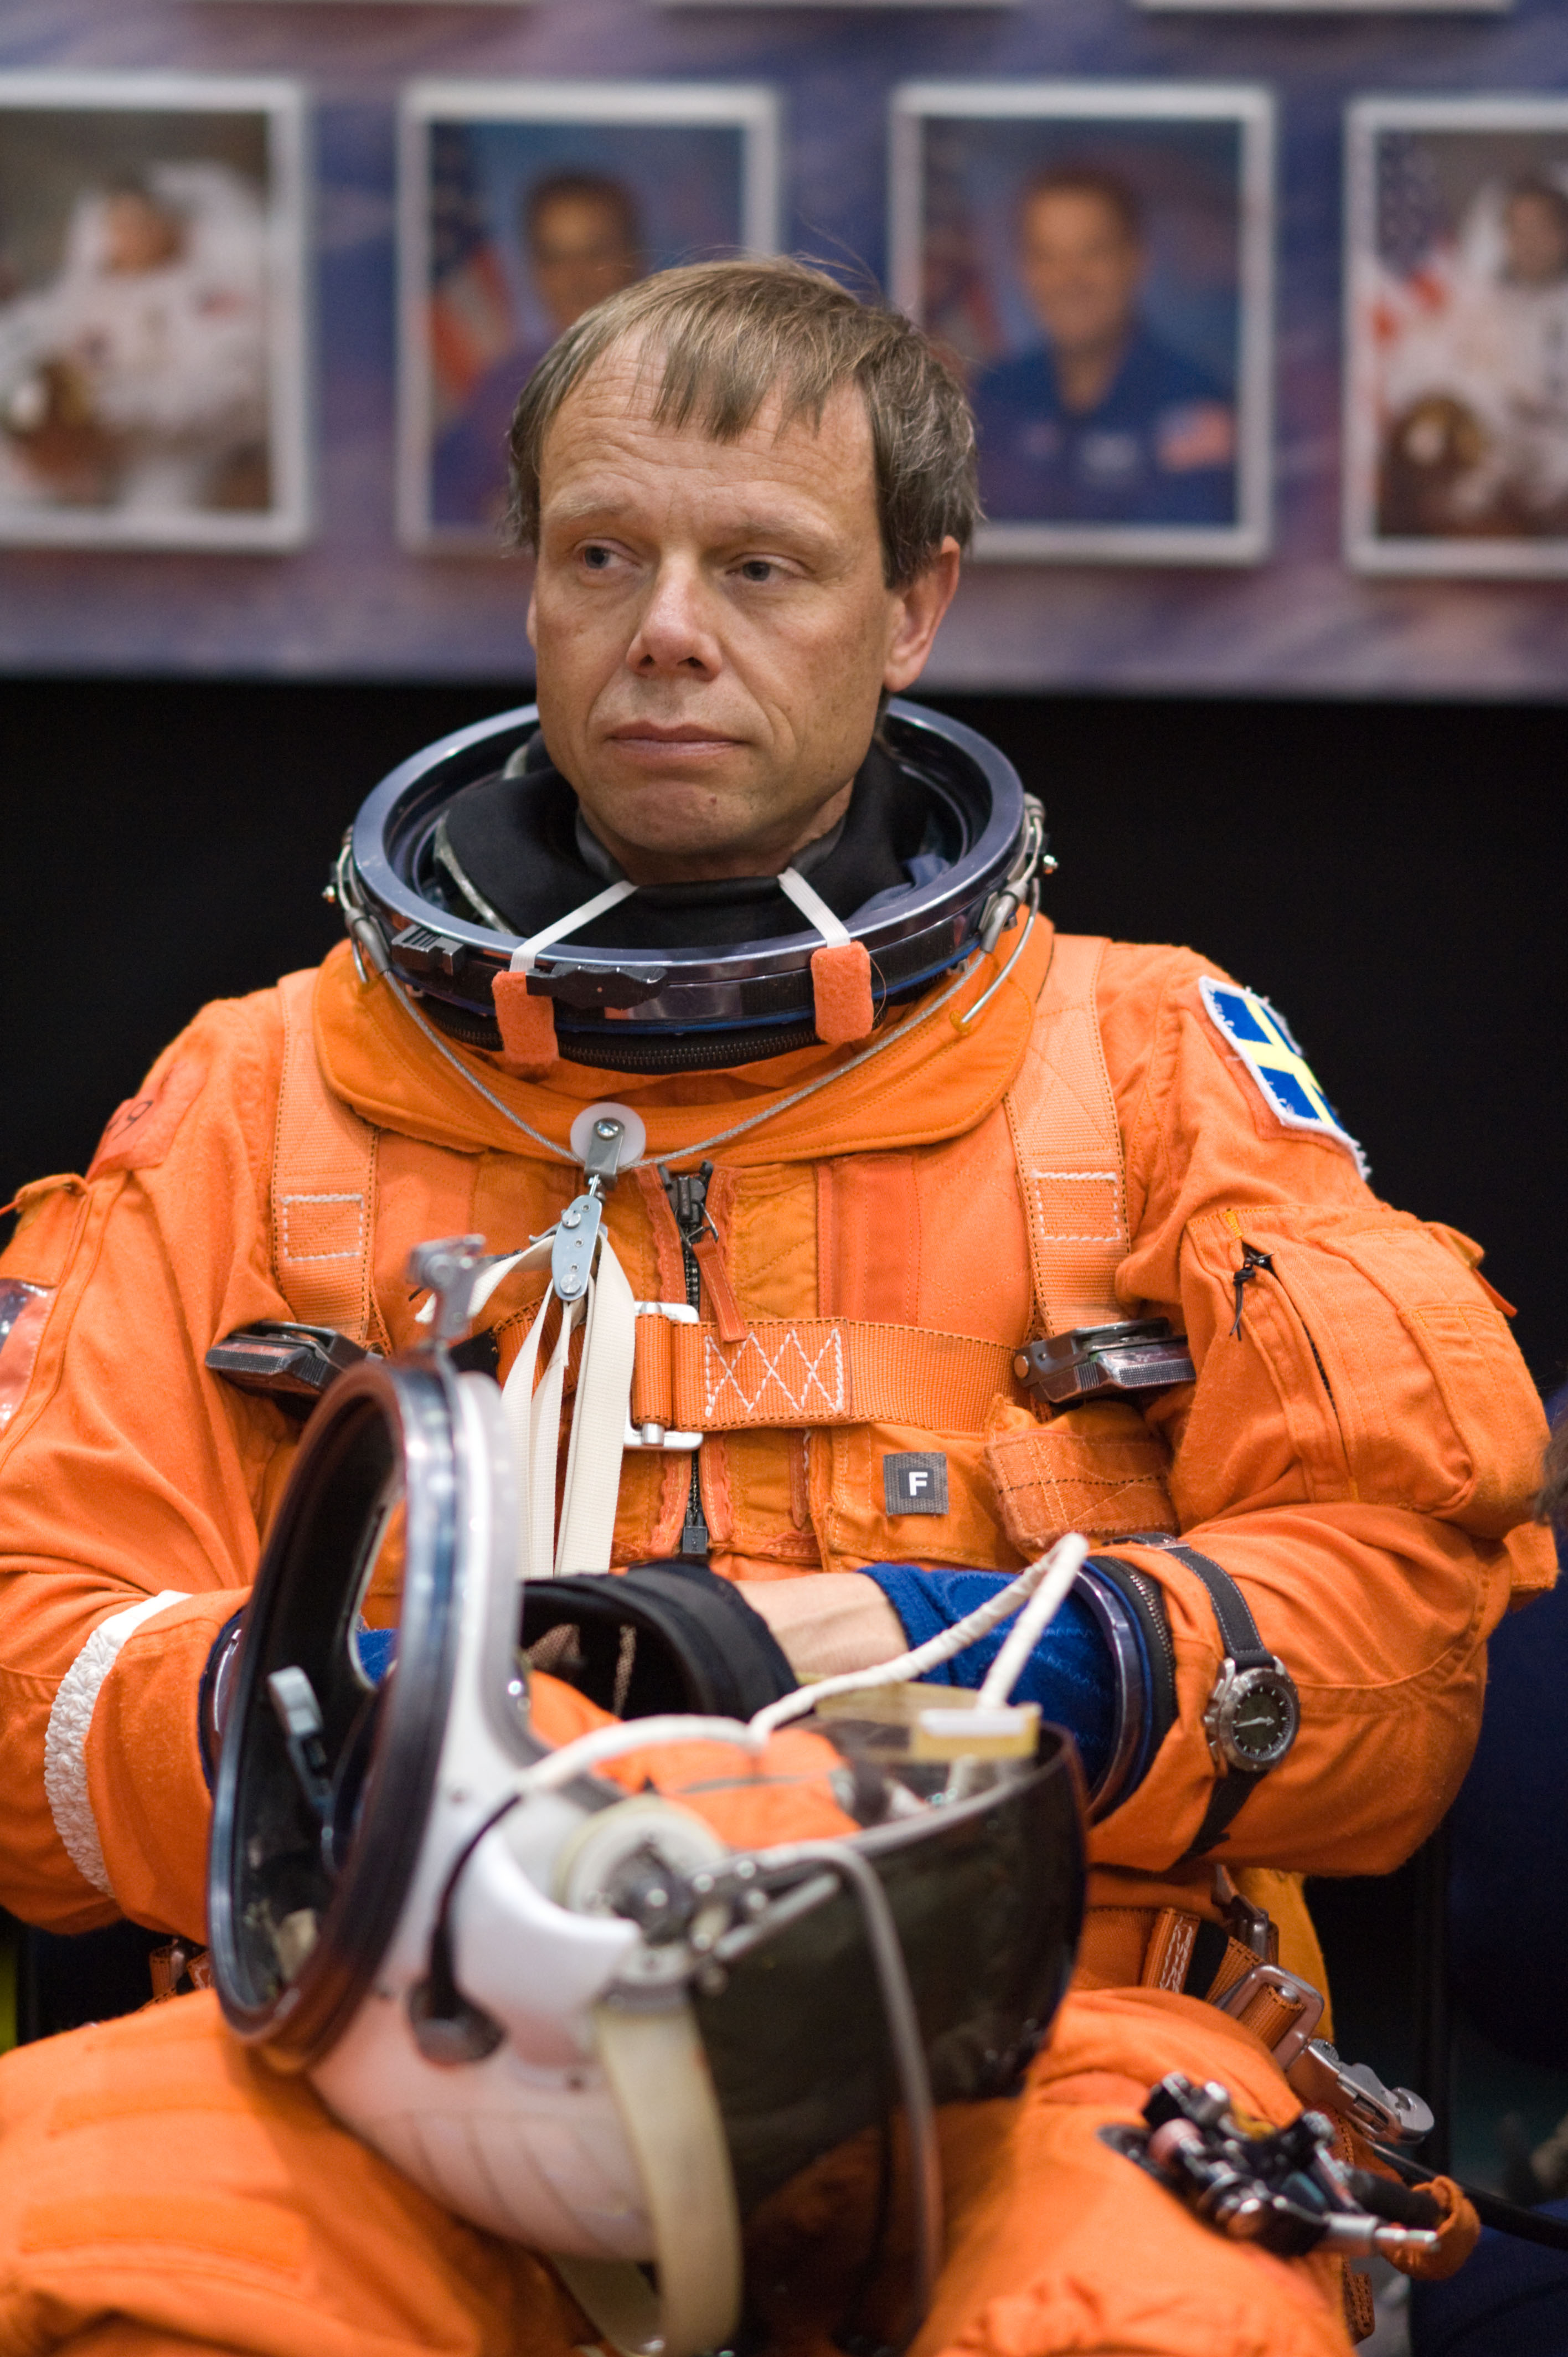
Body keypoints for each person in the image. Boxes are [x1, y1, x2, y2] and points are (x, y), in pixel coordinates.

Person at [0, 256, 1549, 2357]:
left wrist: (986, 1669)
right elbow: (31, 1649)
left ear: (913, 604)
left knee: (1134, 2315)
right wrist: (388, 1720)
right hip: (387, 2029)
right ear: (528, 579)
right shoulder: (258, 1088)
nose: (666, 630)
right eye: (601, 552)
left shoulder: (1148, 1060)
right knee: (78, 2259)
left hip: (1035, 2041)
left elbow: (1400, 1607)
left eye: (762, 564)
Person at [971, 164, 1237, 528]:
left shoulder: (1196, 401)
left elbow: (1189, 566)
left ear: (1136, 261)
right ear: (1023, 269)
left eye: (1092, 253)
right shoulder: (993, 399)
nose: (1069, 278)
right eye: (1048, 256)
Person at [0, 166, 270, 516]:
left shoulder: (210, 300)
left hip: (170, 453)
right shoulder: (85, 292)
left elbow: (225, 392)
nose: (129, 237)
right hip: (81, 450)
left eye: (141, 225)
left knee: (156, 519)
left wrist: (116, 407)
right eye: (118, 225)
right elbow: (29, 336)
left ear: (168, 227)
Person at [430, 169, 643, 533]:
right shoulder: (503, 389)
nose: (576, 279)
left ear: (634, 257)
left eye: (595, 254)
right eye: (555, 258)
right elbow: (445, 514)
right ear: (533, 271)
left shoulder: (691, 380)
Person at [1376, 174, 1568, 539]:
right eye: (1518, 231)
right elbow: (1423, 393)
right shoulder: (1474, 307)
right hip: (1489, 503)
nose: (1529, 245)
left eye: (1541, 230)